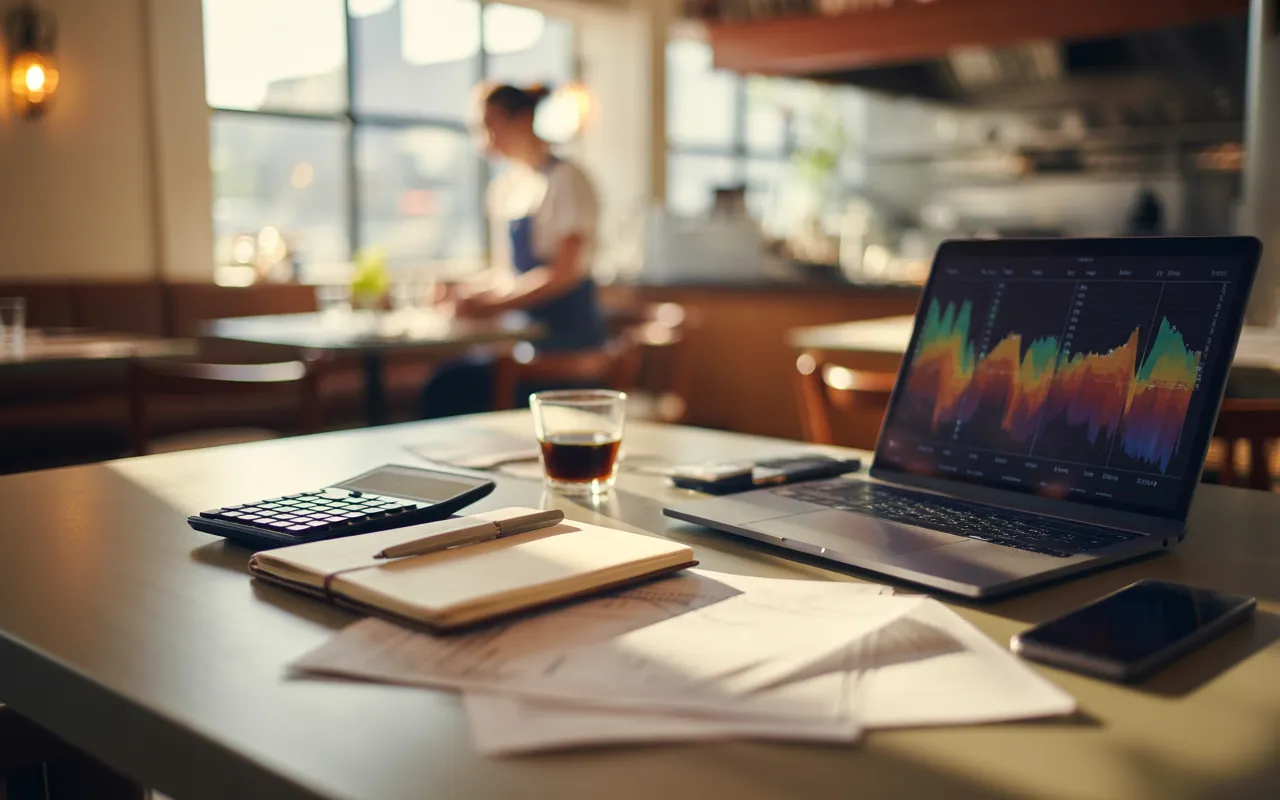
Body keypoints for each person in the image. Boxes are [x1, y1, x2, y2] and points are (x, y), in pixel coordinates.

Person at [420, 83, 608, 418]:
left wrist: (488, 305)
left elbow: (563, 274)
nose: (484, 138)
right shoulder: (506, 187)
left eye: (490, 125)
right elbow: (506, 274)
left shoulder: (567, 180)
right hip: (520, 342)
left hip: (564, 344)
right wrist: (462, 293)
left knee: (449, 387)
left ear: (522, 120)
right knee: (446, 379)